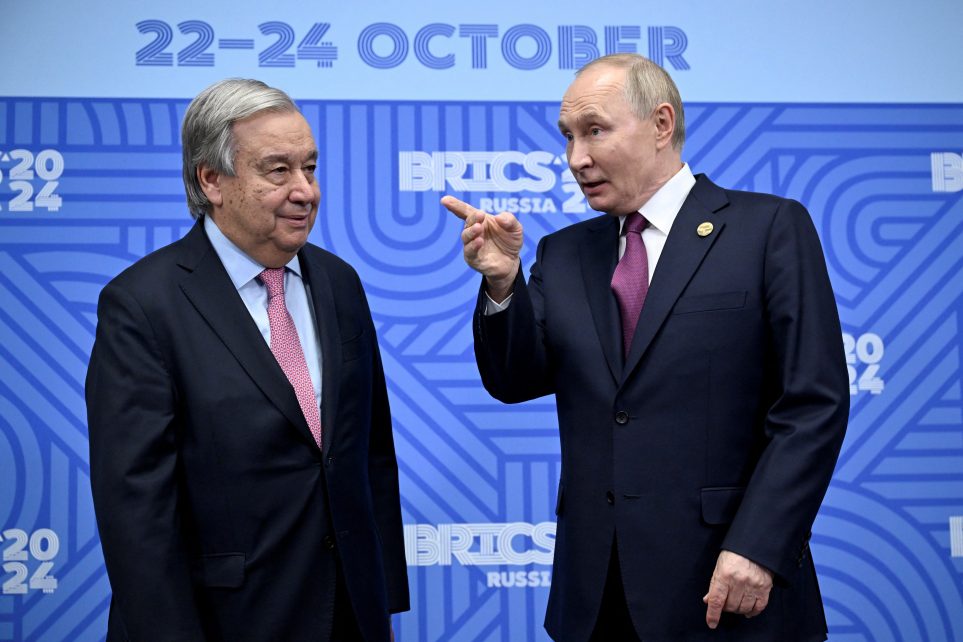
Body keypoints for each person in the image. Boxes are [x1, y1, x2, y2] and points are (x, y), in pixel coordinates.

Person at [443, 53, 849, 641]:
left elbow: (813, 405)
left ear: (661, 124)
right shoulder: (563, 253)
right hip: (598, 595)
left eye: (594, 131)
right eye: (568, 138)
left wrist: (759, 548)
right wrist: (502, 283)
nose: (576, 158)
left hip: (728, 583)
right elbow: (514, 380)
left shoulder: (769, 230)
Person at [86, 79, 409, 641]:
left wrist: (381, 594)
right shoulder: (143, 304)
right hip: (223, 621)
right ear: (211, 179)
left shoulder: (339, 281)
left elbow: (369, 451)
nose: (305, 190)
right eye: (277, 171)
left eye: (310, 167)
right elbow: (135, 505)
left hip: (350, 612)